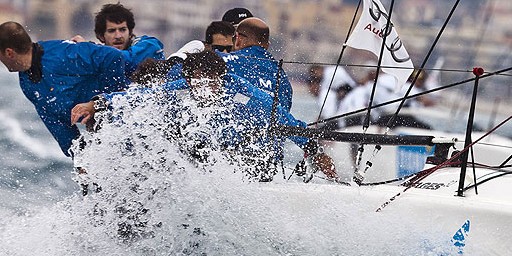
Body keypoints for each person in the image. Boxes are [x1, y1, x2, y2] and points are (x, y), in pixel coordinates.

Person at [71, 51, 337, 181]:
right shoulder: (179, 89)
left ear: (221, 78)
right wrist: (97, 104)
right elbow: (138, 97)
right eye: (198, 80)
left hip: (242, 159)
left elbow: (289, 123)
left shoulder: (249, 96)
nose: (204, 87)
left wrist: (316, 153)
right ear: (188, 79)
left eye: (211, 81)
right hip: (199, 155)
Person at [0, 21, 128, 157]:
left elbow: (113, 57)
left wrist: (100, 104)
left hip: (130, 114)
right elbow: (55, 122)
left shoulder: (62, 54)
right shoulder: (26, 83)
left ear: (9, 53)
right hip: (108, 136)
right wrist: (80, 159)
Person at [220, 17, 294, 111]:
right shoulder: (282, 78)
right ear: (267, 46)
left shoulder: (223, 60)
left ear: (238, 39)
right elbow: (284, 113)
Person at [72, 3, 164, 76]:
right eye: (112, 31)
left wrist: (88, 50)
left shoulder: (148, 45)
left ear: (130, 32)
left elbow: (129, 61)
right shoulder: (97, 57)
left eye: (122, 30)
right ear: (101, 36)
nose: (118, 36)